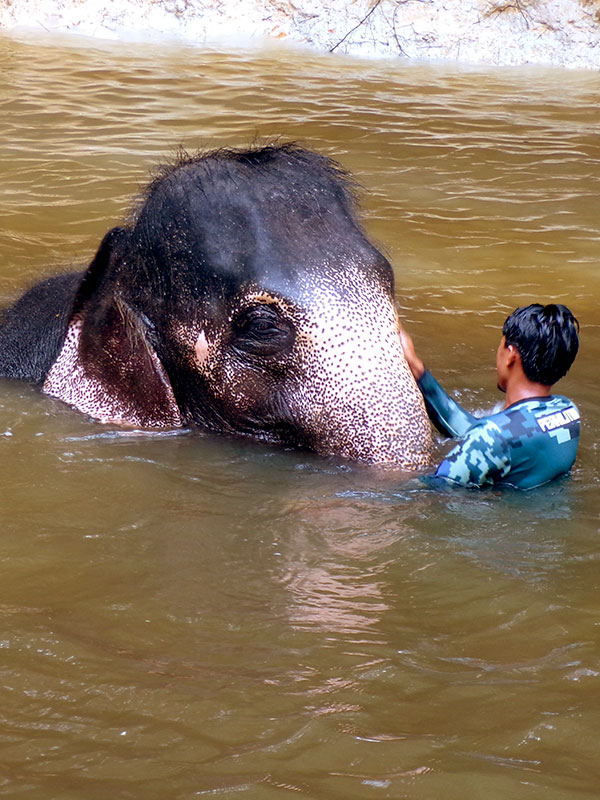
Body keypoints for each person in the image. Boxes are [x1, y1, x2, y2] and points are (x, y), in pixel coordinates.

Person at [400, 303, 580, 489]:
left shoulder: (493, 436)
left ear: (510, 355)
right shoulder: (568, 411)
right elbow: (477, 433)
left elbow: (434, 491)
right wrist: (417, 369)